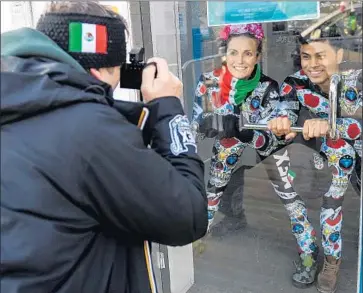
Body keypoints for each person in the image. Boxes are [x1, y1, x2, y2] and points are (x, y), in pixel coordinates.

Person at [1, 2, 208, 293]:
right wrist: (168, 110)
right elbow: (189, 215)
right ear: (99, 70)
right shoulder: (88, 128)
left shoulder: (16, 97)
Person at [267, 31, 362, 292]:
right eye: (306, 56)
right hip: (319, 156)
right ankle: (315, 255)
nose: (312, 64)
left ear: (339, 55)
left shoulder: (355, 80)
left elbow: (359, 124)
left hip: (352, 153)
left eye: (321, 55)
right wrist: (280, 121)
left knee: (333, 198)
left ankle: (331, 256)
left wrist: (331, 125)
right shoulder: (294, 82)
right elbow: (283, 110)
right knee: (282, 173)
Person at [191, 24, 291, 233]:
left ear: (257, 56)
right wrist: (207, 124)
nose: (240, 60)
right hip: (225, 154)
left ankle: (309, 252)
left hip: (262, 162)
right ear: (225, 54)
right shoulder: (210, 82)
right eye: (233, 52)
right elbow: (194, 128)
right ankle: (201, 240)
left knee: (289, 196)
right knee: (214, 192)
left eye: (248, 53)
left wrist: (246, 131)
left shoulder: (268, 88)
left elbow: (276, 140)